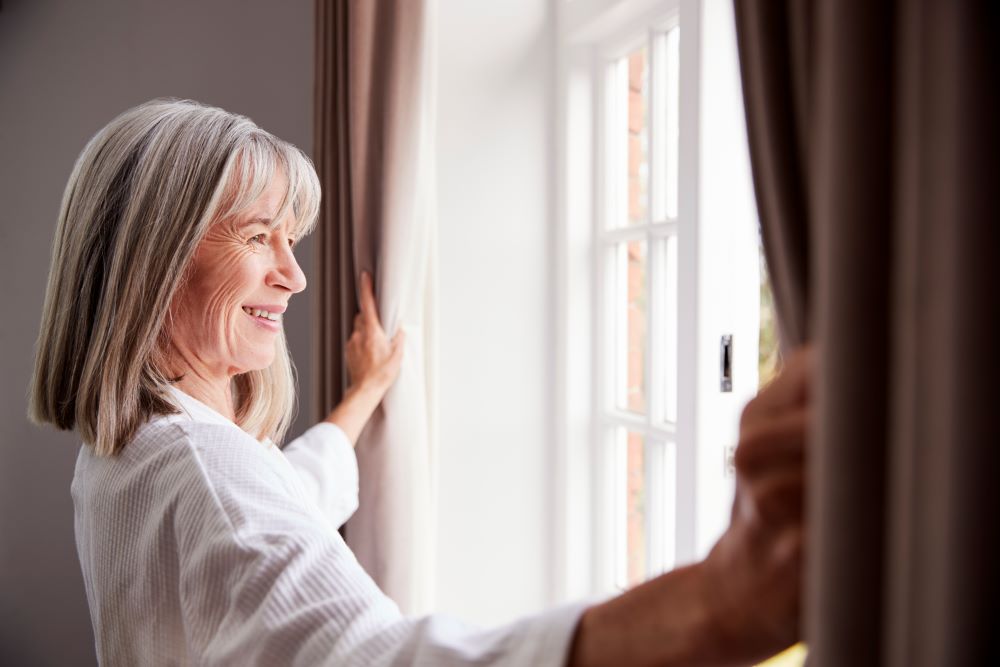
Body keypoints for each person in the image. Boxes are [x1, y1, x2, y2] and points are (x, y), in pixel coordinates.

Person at [29, 98, 811, 666]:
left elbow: (284, 495)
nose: (296, 275)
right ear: (153, 262)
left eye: (292, 239)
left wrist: (365, 389)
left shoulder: (126, 455)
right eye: (259, 236)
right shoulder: (206, 476)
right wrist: (726, 596)